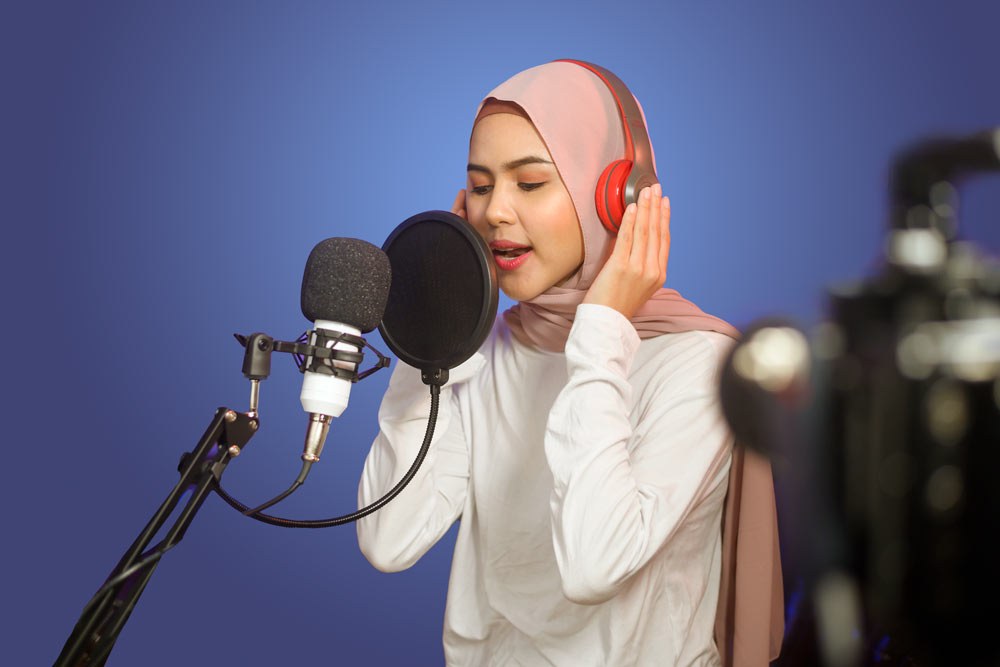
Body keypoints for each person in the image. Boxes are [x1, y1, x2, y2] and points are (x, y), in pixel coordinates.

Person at [357, 60, 782, 666]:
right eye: (480, 187)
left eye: (529, 184)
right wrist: (435, 329)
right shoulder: (484, 351)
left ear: (614, 199)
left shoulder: (700, 366)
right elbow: (388, 538)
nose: (496, 211)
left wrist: (601, 333)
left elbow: (593, 567)